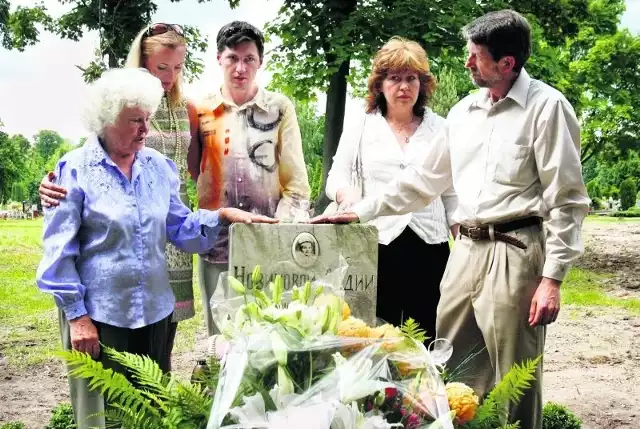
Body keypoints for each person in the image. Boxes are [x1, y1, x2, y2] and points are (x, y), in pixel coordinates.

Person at [313, 10, 590, 429]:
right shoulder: (463, 113)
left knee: (514, 375)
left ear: (507, 63)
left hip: (515, 251)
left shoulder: (547, 109)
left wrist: (551, 279)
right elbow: (424, 181)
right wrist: (360, 210)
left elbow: (568, 200)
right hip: (464, 253)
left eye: (475, 56)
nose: (467, 63)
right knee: (453, 367)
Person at [35, 68, 277, 429]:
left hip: (154, 312)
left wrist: (222, 217)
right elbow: (59, 250)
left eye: (147, 118)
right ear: (105, 119)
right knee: (106, 416)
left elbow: (180, 228)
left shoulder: (159, 167)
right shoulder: (74, 170)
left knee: (150, 413)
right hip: (100, 317)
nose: (145, 130)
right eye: (134, 121)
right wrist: (76, 317)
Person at [38, 22, 196, 370]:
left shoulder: (185, 110)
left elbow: (199, 172)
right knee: (110, 401)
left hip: (164, 249)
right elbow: (78, 173)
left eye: (177, 67)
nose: (168, 76)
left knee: (156, 375)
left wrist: (223, 216)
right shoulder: (110, 110)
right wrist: (51, 183)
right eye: (161, 67)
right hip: (109, 287)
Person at [324, 37, 457, 340]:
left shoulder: (442, 128)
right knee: (376, 337)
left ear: (423, 84)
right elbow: (336, 177)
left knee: (427, 335)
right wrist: (347, 196)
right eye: (394, 78)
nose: (404, 87)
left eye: (412, 78)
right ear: (379, 84)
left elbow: (451, 192)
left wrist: (462, 239)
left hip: (430, 247)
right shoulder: (361, 125)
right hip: (377, 244)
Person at [187, 21, 310, 342]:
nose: (240, 68)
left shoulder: (279, 109)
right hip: (217, 246)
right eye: (232, 58)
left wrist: (279, 236)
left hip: (269, 246)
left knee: (271, 339)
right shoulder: (200, 111)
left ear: (260, 62)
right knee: (222, 340)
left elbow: (296, 182)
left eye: (249, 59)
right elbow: (190, 170)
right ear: (219, 59)